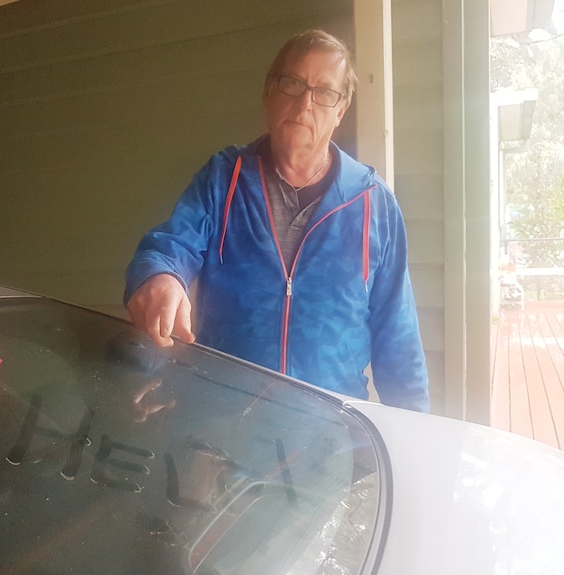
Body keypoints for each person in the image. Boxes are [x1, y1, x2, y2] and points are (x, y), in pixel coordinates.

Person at [123, 29, 429, 412]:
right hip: (220, 430)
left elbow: (398, 344)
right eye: (293, 83)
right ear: (269, 91)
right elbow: (169, 248)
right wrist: (160, 277)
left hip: (329, 443)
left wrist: (414, 442)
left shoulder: (375, 205)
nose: (305, 104)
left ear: (341, 109)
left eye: (324, 93)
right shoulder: (224, 178)